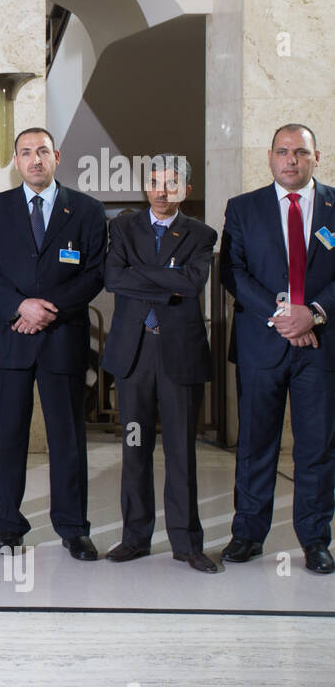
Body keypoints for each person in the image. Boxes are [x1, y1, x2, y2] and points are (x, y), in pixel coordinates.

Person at [0, 127, 107, 558]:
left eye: (43, 152)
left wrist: (46, 308)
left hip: (62, 339)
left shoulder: (86, 210)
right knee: (9, 438)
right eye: (27, 153)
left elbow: (94, 274)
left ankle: (73, 528)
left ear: (57, 157)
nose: (35, 160)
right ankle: (8, 526)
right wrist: (20, 308)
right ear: (16, 160)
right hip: (12, 340)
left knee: (67, 438)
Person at [220, 123, 335, 575]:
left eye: (301, 153)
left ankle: (315, 540)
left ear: (316, 157)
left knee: (317, 448)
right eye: (283, 152)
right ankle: (247, 534)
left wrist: (316, 313)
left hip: (320, 347)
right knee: (255, 445)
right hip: (260, 344)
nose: (291, 161)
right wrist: (284, 315)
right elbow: (233, 270)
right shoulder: (243, 208)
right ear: (269, 157)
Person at [102, 155, 218, 573]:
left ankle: (187, 543)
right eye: (154, 181)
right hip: (135, 354)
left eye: (171, 183)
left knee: (181, 452)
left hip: (179, 354)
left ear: (186, 190)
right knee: (135, 448)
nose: (161, 189)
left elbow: (192, 283)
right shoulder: (122, 227)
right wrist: (166, 279)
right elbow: (113, 279)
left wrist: (142, 275)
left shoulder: (202, 233)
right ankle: (134, 537)